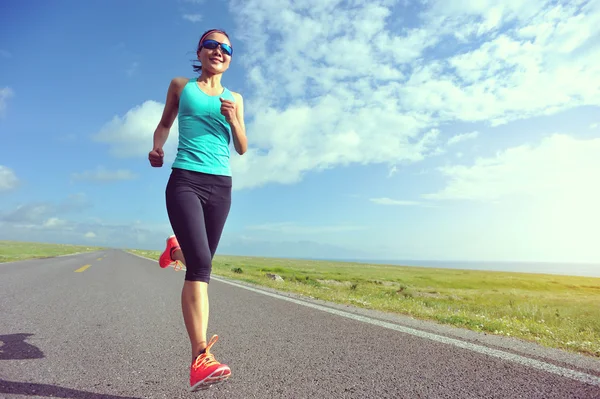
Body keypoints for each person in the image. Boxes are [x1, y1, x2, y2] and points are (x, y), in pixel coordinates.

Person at [148, 28, 247, 392]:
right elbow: (163, 125)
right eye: (212, 45)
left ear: (230, 58)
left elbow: (243, 146)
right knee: (202, 266)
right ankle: (200, 357)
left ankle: (175, 250)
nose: (218, 51)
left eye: (226, 48)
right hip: (185, 179)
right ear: (200, 51)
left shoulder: (235, 97)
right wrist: (157, 148)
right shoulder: (181, 86)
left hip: (221, 186)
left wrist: (234, 119)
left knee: (198, 259)